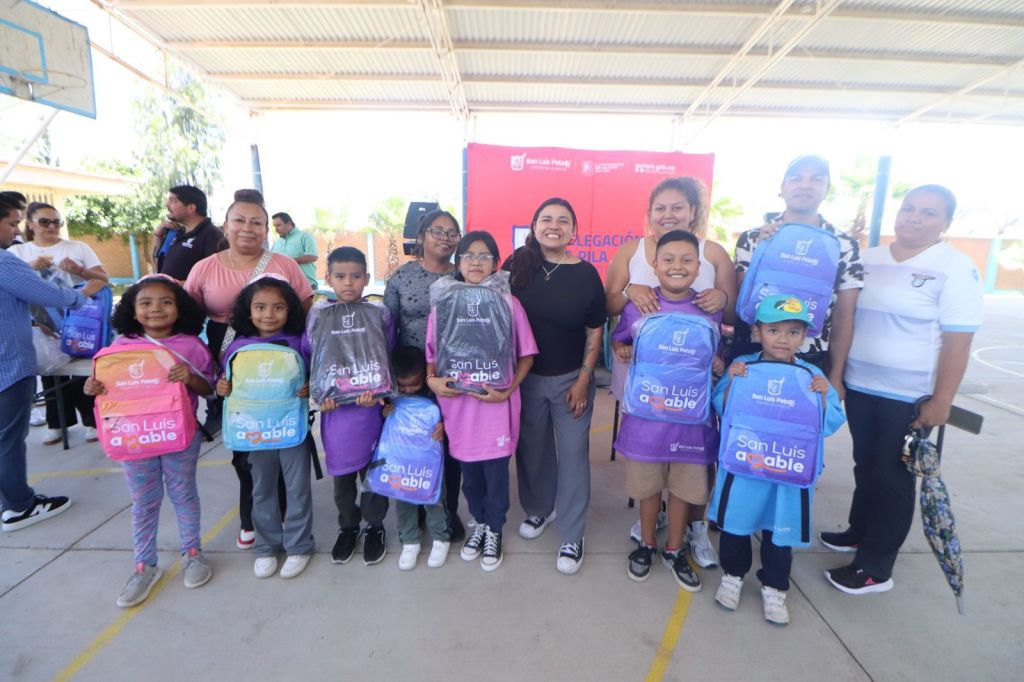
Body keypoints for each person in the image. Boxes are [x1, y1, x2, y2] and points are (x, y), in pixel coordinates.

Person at [823, 185, 983, 595]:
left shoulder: (954, 267)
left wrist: (941, 400)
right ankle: (860, 531)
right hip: (861, 386)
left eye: (928, 213)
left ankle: (876, 567)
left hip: (908, 395)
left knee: (891, 475)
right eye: (909, 208)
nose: (914, 217)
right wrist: (838, 377)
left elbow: (958, 341)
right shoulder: (869, 259)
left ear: (946, 223)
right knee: (866, 463)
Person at [605, 177, 734, 567]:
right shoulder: (632, 251)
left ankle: (689, 532)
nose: (668, 214)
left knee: (690, 471)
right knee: (649, 464)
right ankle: (650, 530)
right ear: (649, 213)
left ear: (692, 211)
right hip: (646, 386)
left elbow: (730, 316)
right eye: (660, 208)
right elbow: (611, 308)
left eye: (677, 207)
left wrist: (724, 299)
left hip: (692, 391)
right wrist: (630, 291)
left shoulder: (713, 253)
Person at [185, 189, 314, 547]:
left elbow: (302, 305)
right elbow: (189, 315)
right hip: (228, 358)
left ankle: (283, 510)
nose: (248, 228)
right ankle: (252, 514)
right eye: (239, 220)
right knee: (245, 442)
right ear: (225, 225)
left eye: (256, 222)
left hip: (278, 358)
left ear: (266, 229)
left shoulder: (283, 265)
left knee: (284, 433)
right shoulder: (204, 268)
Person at [710, 295, 845, 625]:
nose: (783, 339)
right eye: (774, 330)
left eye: (793, 332)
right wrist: (732, 386)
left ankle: (775, 586)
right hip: (745, 466)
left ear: (803, 336)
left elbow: (831, 421)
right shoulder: (744, 368)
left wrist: (822, 397)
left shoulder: (811, 375)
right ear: (757, 332)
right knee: (736, 524)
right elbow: (721, 409)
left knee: (779, 530)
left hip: (788, 469)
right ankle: (733, 575)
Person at [83, 275, 215, 606]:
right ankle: (145, 565)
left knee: (185, 494)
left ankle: (193, 552)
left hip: (179, 436)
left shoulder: (192, 347)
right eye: (146, 302)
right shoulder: (117, 349)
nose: (156, 308)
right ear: (132, 309)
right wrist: (92, 388)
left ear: (179, 308)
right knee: (144, 501)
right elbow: (105, 390)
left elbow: (210, 388)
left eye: (166, 302)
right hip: (133, 439)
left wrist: (191, 378)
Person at [504, 198, 605, 575]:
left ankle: (572, 534)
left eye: (563, 221)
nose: (554, 225)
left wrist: (583, 377)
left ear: (573, 231)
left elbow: (595, 329)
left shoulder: (586, 274)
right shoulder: (516, 265)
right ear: (533, 225)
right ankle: (539, 510)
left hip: (570, 380)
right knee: (532, 450)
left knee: (574, 454)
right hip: (525, 379)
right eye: (546, 218)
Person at [427, 232, 537, 571]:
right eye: (469, 255)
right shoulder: (444, 304)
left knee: (496, 477)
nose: (476, 261)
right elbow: (432, 356)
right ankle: (479, 523)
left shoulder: (508, 304)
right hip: (459, 411)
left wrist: (507, 390)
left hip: (496, 409)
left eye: (485, 255)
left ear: (495, 263)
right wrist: (432, 381)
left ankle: (495, 529)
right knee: (470, 477)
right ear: (458, 262)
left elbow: (526, 356)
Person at [0, 194, 105, 532]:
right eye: (12, 223)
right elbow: (53, 296)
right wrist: (78, 299)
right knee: (8, 440)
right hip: (9, 363)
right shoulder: (7, 261)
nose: (14, 231)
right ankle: (19, 505)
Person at [733, 155, 863, 391]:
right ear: (782, 188)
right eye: (796, 178)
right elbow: (743, 300)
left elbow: (844, 315)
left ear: (826, 189)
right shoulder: (753, 238)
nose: (805, 185)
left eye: (816, 179)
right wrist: (764, 250)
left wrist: (835, 375)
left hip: (810, 358)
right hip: (752, 353)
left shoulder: (843, 245)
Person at [218, 276, 315, 580]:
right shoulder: (237, 345)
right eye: (260, 307)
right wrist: (221, 386)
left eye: (277, 307)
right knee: (261, 489)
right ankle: (265, 546)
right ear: (248, 311)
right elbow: (227, 382)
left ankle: (299, 545)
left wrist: (310, 385)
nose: (268, 314)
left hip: (290, 427)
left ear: (290, 310)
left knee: (298, 489)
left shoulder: (300, 341)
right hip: (255, 430)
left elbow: (315, 372)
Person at [308, 247, 395, 567]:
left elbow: (387, 354)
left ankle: (375, 525)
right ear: (328, 278)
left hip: (369, 409)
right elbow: (312, 355)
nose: (348, 283)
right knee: (343, 478)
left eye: (356, 276)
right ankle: (348, 526)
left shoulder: (379, 314)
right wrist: (320, 393)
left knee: (373, 473)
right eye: (340, 276)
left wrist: (380, 390)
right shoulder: (319, 314)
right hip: (335, 413)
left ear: (367, 279)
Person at [383, 209, 466, 541]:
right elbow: (387, 330)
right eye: (437, 231)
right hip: (412, 379)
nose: (444, 238)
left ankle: (447, 510)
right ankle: (415, 506)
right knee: (413, 446)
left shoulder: (464, 277)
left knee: (449, 446)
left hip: (454, 377)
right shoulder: (402, 278)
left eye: (451, 232)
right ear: (421, 236)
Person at [11, 202, 109, 446]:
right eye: (44, 221)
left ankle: (91, 421)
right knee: (49, 373)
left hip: (79, 320)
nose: (51, 226)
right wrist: (30, 268)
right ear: (30, 224)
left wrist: (79, 270)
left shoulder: (77, 247)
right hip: (38, 323)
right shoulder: (18, 254)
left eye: (56, 221)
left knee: (80, 370)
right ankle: (57, 423)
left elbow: (103, 279)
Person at [389, 345, 450, 570]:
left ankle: (440, 538)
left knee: (434, 498)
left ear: (425, 376)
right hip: (400, 463)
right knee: (403, 500)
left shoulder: (433, 394)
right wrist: (385, 413)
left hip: (430, 463)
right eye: (402, 385)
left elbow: (449, 414)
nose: (408, 390)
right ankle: (409, 540)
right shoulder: (390, 395)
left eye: (414, 383)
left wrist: (444, 426)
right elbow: (382, 420)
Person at [155, 185, 224, 280]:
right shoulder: (177, 232)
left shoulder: (212, 235)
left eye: (172, 200)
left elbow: (214, 279)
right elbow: (158, 263)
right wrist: (158, 235)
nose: (167, 205)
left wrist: (175, 285)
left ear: (191, 208)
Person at [270, 212, 319, 292]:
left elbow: (312, 256)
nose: (276, 229)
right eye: (274, 226)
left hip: (306, 287)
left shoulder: (305, 236)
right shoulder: (277, 243)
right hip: (282, 289)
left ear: (289, 224)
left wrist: (289, 262)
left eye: (278, 225)